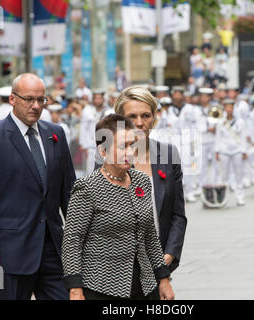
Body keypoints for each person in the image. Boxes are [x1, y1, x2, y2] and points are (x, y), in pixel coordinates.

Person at [0, 73, 76, 300]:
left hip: (53, 250)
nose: (36, 106)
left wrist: (78, 241)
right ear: (12, 99)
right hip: (7, 254)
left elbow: (70, 193)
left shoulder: (56, 134)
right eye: (29, 99)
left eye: (41, 100)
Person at [62, 114, 174, 300]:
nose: (130, 152)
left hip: (144, 285)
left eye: (132, 144)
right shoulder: (87, 187)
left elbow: (150, 236)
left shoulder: (142, 181)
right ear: (103, 151)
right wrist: (75, 288)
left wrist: (164, 278)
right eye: (123, 146)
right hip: (101, 287)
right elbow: (72, 241)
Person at [113, 86, 187, 280]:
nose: (139, 123)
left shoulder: (169, 155)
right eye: (132, 116)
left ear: (154, 117)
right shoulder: (109, 157)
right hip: (119, 270)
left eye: (146, 115)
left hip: (160, 267)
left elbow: (178, 215)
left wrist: (168, 257)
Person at [214, 99, 247, 206]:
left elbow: (243, 137)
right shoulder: (220, 121)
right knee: (224, 175)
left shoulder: (240, 121)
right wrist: (217, 151)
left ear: (234, 108)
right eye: (227, 107)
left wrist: (243, 150)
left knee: (239, 174)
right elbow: (218, 137)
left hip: (237, 150)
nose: (229, 110)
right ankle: (223, 197)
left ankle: (240, 196)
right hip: (224, 150)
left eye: (231, 107)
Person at [79, 89, 113, 174]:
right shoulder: (87, 110)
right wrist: (84, 145)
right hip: (91, 146)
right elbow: (83, 128)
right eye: (95, 98)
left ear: (103, 99)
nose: (97, 100)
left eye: (99, 98)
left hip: (105, 146)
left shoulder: (109, 111)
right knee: (90, 171)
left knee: (106, 171)